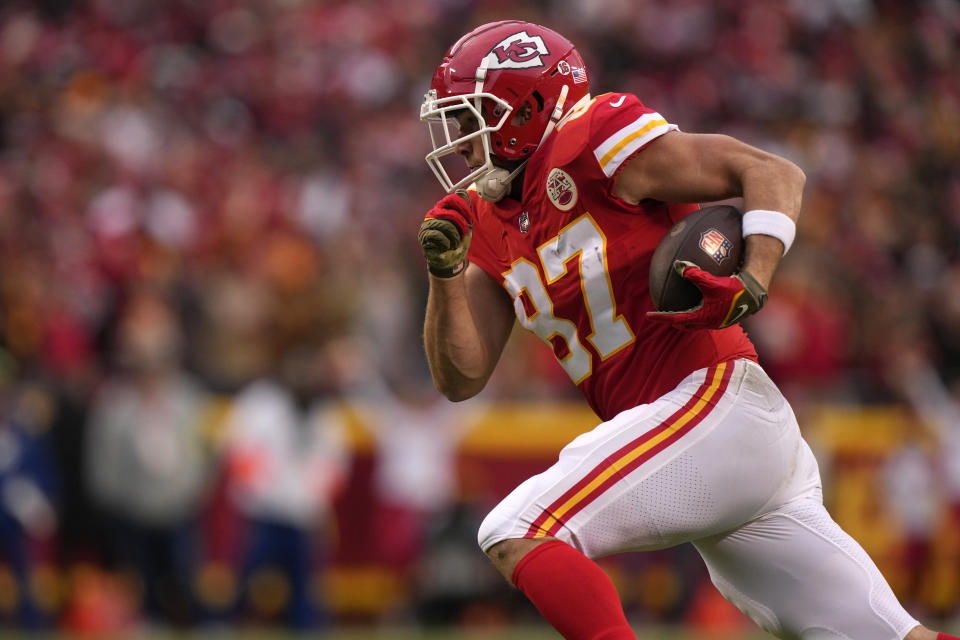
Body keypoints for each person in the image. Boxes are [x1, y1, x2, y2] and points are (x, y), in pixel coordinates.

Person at [416, 20, 958, 640]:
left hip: (711, 399)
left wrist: (753, 277)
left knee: (518, 528)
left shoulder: (593, 135)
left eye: (471, 117)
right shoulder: (488, 218)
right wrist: (445, 273)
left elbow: (774, 174)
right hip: (708, 435)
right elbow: (461, 377)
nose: (459, 140)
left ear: (529, 107)